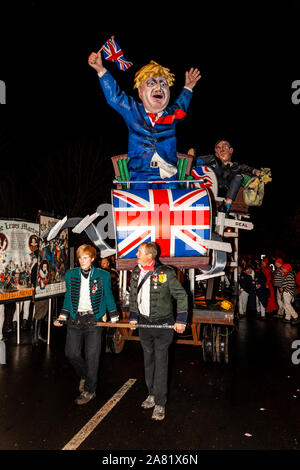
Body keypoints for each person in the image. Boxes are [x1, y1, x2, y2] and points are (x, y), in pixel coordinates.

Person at [88, 50, 201, 186]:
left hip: (169, 174)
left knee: (171, 201)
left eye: (163, 84)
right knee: (141, 201)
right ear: (140, 91)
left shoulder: (171, 115)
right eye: (151, 83)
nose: (159, 87)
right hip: (140, 175)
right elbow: (114, 97)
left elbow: (181, 106)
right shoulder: (132, 110)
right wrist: (100, 69)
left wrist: (188, 87)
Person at [129, 242, 188, 421]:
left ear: (150, 256)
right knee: (148, 359)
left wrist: (181, 320)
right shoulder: (135, 272)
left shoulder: (166, 273)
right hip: (144, 324)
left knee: (161, 360)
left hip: (164, 325)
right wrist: (133, 316)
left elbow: (182, 295)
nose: (136, 254)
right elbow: (133, 295)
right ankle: (152, 394)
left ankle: (160, 402)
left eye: (140, 252)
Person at [54, 244, 118, 405]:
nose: (82, 261)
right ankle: (86, 375)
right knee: (72, 353)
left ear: (92, 259)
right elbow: (69, 297)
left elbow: (108, 296)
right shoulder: (71, 274)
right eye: (80, 257)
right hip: (75, 319)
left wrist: (114, 316)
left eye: (86, 257)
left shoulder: (103, 275)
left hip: (94, 319)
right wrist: (62, 316)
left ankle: (90, 390)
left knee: (92, 356)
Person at [192, 139, 261, 213]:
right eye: (218, 148)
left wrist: (255, 171)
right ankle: (193, 161)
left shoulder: (236, 166)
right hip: (215, 183)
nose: (221, 150)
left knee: (238, 177)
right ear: (217, 154)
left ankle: (227, 206)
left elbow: (247, 168)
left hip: (228, 187)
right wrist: (193, 159)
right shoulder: (214, 163)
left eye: (224, 147)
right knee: (211, 161)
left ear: (230, 150)